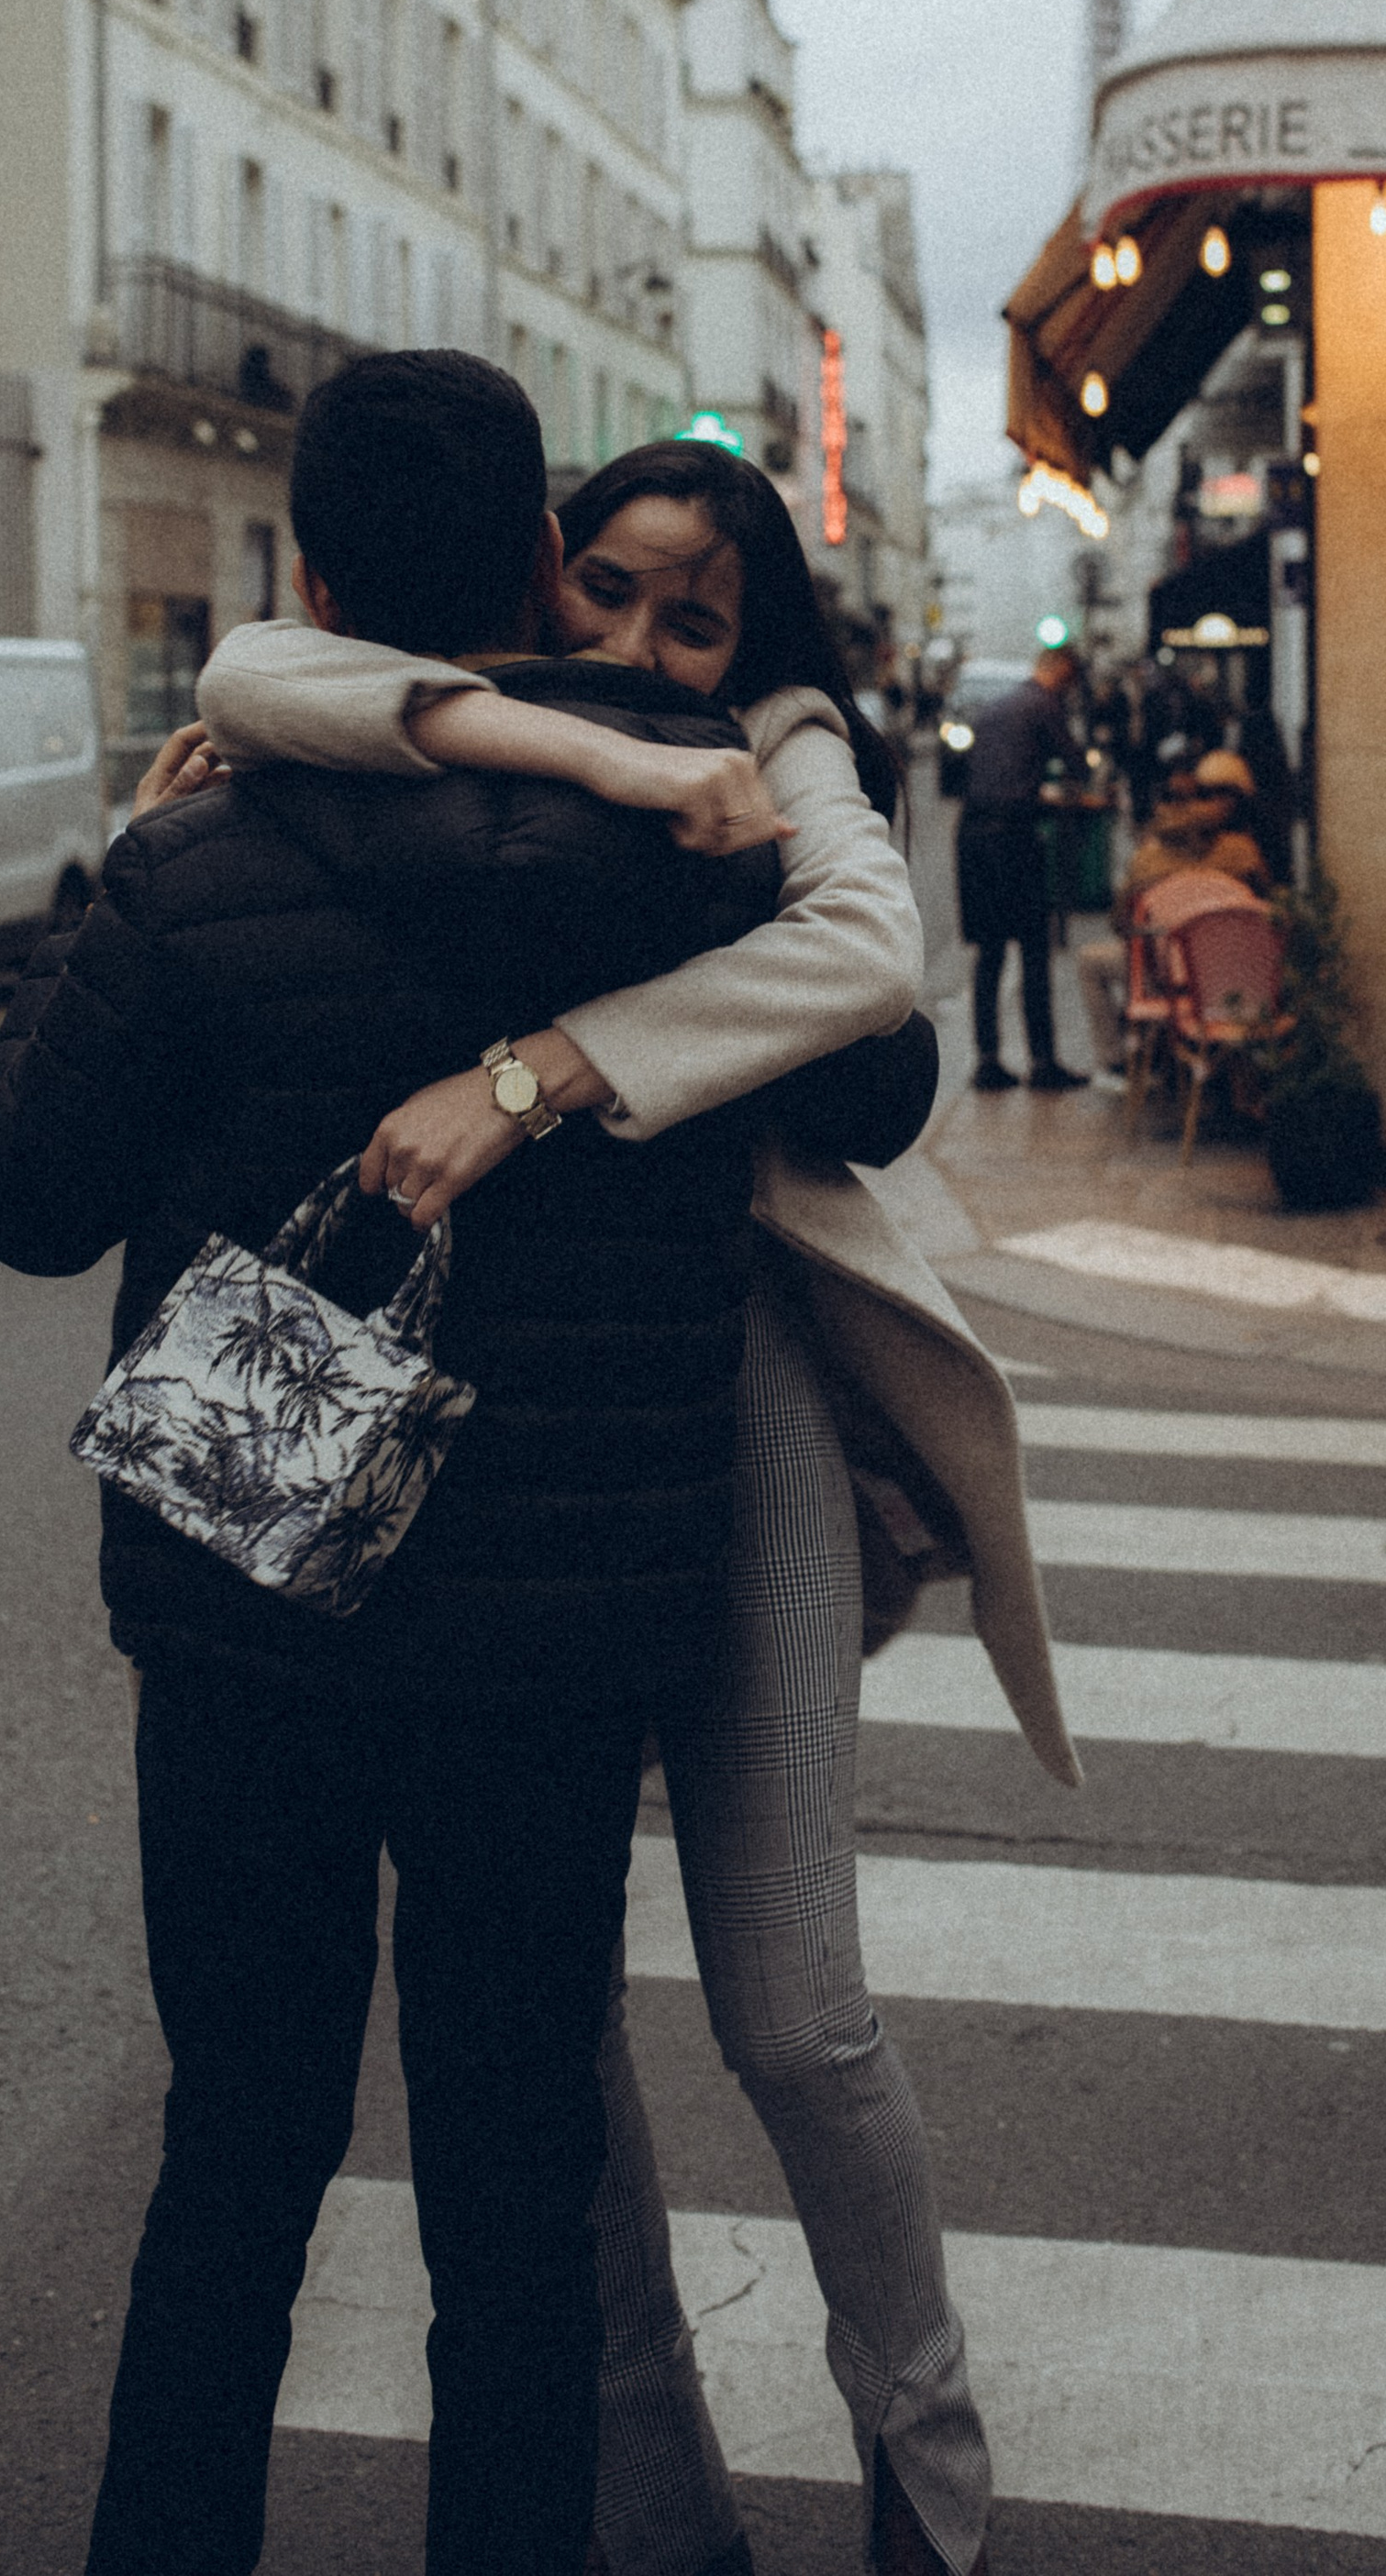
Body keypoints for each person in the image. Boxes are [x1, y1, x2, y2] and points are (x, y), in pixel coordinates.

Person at [191, 439, 1080, 2576]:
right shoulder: (457, 718)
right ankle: (652, 2502)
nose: (640, 643)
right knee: (538, 2037)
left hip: (732, 1375)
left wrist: (537, 1072)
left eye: (694, 617)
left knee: (790, 2002)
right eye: (604, 586)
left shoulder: (765, 752)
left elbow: (865, 958)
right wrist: (535, 728)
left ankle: (928, 2471)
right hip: (485, 1412)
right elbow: (247, 671)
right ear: (536, 566)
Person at [0, 356, 801, 2576]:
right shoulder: (702, 860)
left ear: (309, 583)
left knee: (235, 2157)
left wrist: (117, 880)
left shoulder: (196, 860)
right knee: (514, 2199)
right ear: (541, 563)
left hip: (247, 1618)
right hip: (556, 1642)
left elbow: (26, 1199)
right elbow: (872, 1091)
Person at [1072, 754, 1273, 1079]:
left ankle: (1116, 1062)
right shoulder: (1242, 852)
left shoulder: (1147, 858)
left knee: (1090, 962)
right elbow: (1267, 909)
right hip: (1233, 976)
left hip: (1164, 977)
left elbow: (1121, 923)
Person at [955, 643, 1087, 1094]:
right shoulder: (1044, 704)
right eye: (1070, 678)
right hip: (1012, 837)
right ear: (1061, 669)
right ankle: (1043, 1062)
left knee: (990, 952)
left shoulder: (996, 707)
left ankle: (987, 1060)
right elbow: (1076, 764)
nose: (1069, 688)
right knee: (1033, 948)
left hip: (973, 835)